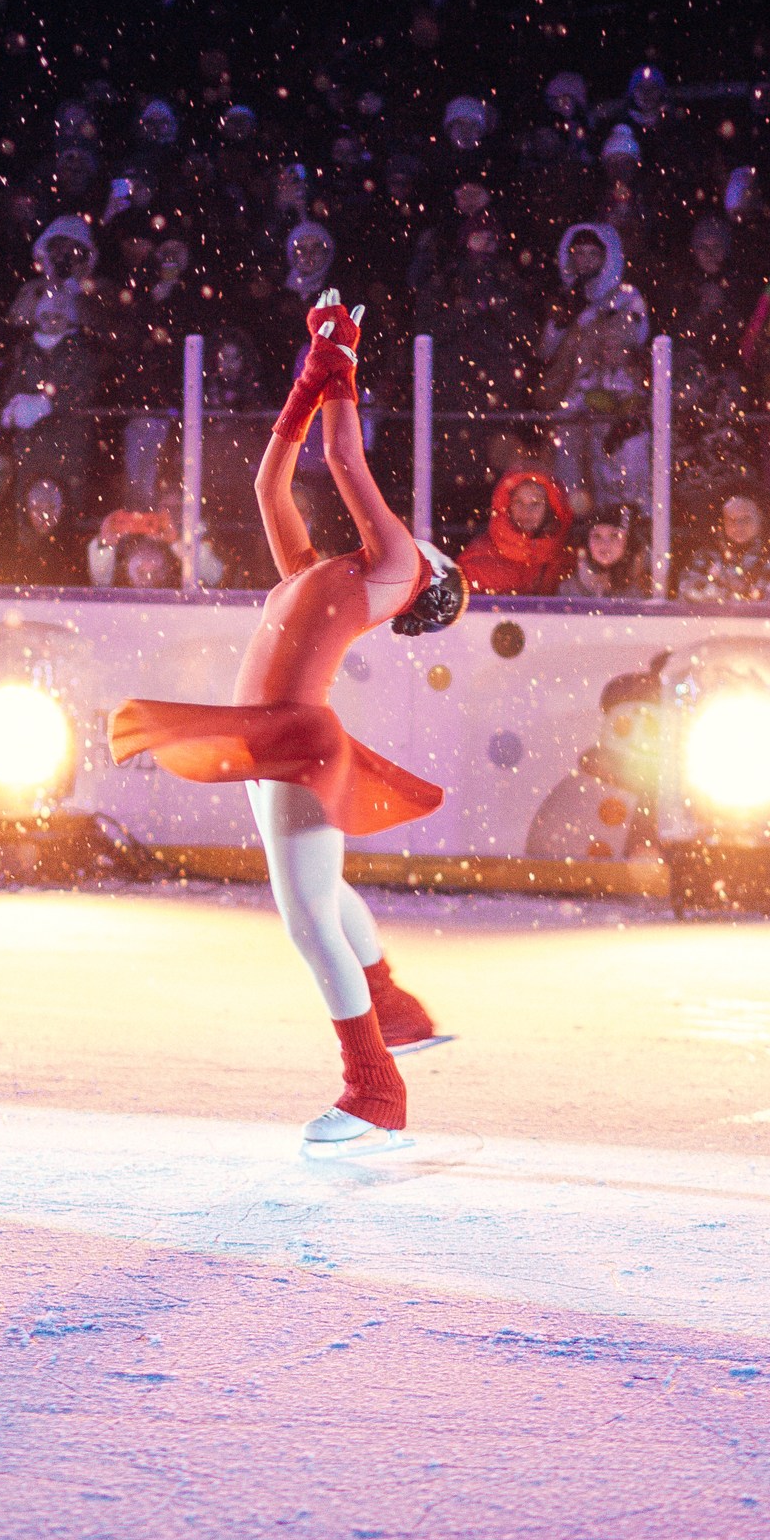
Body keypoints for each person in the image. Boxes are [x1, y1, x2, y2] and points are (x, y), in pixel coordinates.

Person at [110, 292, 467, 1158]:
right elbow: (270, 482)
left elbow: (346, 458)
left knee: (307, 915)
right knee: (320, 891)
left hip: (302, 742)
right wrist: (308, 379)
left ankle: (375, 1090)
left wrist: (341, 354)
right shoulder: (320, 571)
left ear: (436, 581)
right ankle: (395, 1008)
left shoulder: (396, 567)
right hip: (280, 737)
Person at [458, 467, 574, 595]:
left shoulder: (568, 561)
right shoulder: (476, 563)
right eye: (518, 502)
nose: (526, 512)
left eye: (535, 504)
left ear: (550, 509)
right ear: (507, 506)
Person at [677, 491, 770, 602]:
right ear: (722, 522)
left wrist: (721, 582)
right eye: (731, 519)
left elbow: (767, 598)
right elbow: (689, 592)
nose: (738, 526)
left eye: (746, 519)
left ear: (761, 519)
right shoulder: (705, 556)